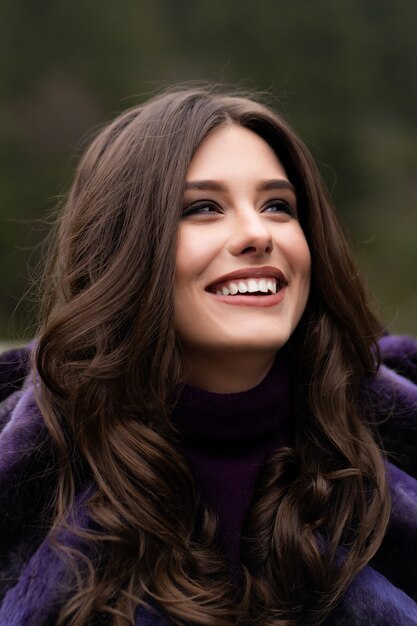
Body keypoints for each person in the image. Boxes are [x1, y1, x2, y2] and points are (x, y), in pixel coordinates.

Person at [0, 86, 416, 626]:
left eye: (277, 206)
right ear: (123, 249)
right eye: (202, 208)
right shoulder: (29, 475)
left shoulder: (393, 439)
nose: (256, 233)